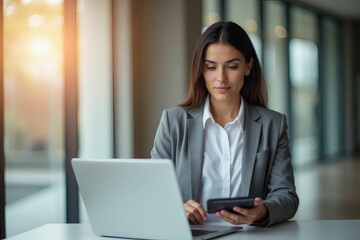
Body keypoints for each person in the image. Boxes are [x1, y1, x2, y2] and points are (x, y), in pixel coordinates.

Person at [151, 21, 299, 227]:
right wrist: (176, 207)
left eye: (231, 66)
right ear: (201, 71)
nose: (221, 78)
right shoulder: (173, 122)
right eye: (211, 67)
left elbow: (287, 196)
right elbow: (153, 191)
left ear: (248, 66)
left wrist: (262, 212)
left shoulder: (273, 124)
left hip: (249, 235)